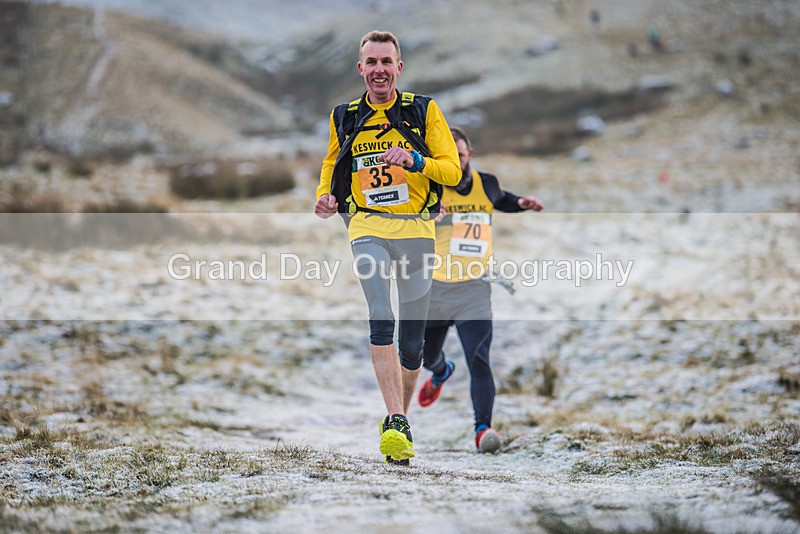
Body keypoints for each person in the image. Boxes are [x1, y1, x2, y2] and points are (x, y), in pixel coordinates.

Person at [315, 30, 460, 464]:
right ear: (361, 69)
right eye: (371, 62)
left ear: (399, 67)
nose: (379, 70)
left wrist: (415, 161)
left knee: (412, 345)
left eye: (386, 62)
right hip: (367, 227)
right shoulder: (344, 116)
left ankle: (401, 422)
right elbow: (332, 162)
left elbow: (451, 171)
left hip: (416, 230)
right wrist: (327, 194)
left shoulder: (423, 110)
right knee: (381, 314)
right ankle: (395, 420)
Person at [418, 126, 544, 453]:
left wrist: (522, 202)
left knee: (479, 358)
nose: (456, 162)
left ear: (469, 154)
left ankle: (483, 429)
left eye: (459, 155)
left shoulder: (486, 183)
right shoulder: (431, 187)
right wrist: (428, 214)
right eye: (448, 157)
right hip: (434, 289)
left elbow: (501, 200)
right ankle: (441, 371)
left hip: (474, 289)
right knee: (425, 356)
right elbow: (407, 220)